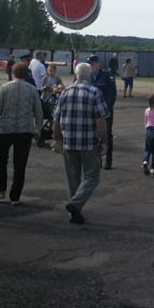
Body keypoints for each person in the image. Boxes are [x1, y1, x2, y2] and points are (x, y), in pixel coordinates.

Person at [52, 63, 109, 224]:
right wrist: (104, 141)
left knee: (73, 177)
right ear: (90, 75)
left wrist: (57, 139)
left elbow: (56, 119)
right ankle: (75, 204)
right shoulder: (94, 92)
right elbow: (101, 121)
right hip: (88, 142)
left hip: (69, 142)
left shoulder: (65, 93)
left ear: (76, 75)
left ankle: (74, 212)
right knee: (92, 176)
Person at [0, 61, 43, 205]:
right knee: (20, 164)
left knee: (1, 161)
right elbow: (39, 112)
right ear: (27, 74)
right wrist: (38, 129)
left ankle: (1, 190)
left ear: (13, 73)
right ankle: (15, 196)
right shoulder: (32, 89)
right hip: (25, 130)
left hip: (5, 130)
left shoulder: (5, 88)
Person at [88, 56, 117, 170]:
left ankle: (108, 160)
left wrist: (107, 110)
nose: (90, 66)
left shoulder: (107, 76)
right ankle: (97, 160)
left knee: (107, 134)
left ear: (98, 64)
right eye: (89, 64)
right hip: (92, 112)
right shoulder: (88, 77)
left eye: (92, 64)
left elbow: (111, 95)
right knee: (94, 135)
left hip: (105, 112)